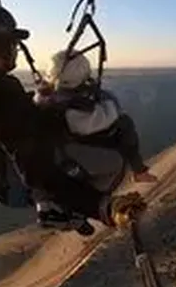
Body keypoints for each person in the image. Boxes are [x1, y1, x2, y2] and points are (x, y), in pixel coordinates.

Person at [0, 4, 144, 231]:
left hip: (2, 177)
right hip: (17, 184)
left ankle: (62, 206)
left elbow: (10, 119)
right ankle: (59, 210)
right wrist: (103, 207)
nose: (16, 48)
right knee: (113, 161)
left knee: (66, 132)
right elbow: (34, 166)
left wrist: (38, 101)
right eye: (13, 43)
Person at [36, 50, 158, 192]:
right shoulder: (71, 109)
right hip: (68, 150)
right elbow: (96, 121)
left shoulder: (49, 97)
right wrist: (104, 98)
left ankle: (137, 171)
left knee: (122, 127)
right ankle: (97, 195)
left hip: (61, 146)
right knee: (123, 133)